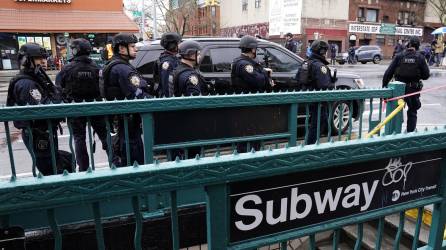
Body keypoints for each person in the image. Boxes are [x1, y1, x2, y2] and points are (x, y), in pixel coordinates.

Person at [6, 43, 63, 175]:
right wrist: (57, 100)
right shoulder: (27, 83)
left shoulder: (36, 78)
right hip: (38, 133)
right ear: (26, 60)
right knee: (50, 171)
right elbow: (42, 109)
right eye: (38, 58)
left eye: (44, 58)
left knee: (57, 164)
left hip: (44, 131)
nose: (43, 61)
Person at [56, 38, 108, 172]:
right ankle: (114, 160)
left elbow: (58, 89)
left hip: (75, 109)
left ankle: (84, 168)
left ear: (75, 51)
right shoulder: (97, 67)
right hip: (96, 107)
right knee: (104, 135)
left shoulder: (67, 68)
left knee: (79, 138)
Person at [102, 33, 152, 166]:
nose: (136, 49)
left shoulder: (115, 64)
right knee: (135, 161)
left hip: (121, 121)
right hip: (128, 122)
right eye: (132, 46)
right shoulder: (122, 68)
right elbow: (137, 95)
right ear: (122, 49)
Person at [383, 36, 430, 133]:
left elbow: (388, 73)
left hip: (398, 90)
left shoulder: (399, 56)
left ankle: (395, 133)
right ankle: (410, 133)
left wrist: (384, 88)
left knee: (396, 111)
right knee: (412, 111)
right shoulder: (420, 57)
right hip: (413, 90)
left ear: (409, 44)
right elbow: (426, 75)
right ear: (418, 46)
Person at [296, 40, 335, 145]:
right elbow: (325, 86)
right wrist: (332, 82)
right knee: (318, 124)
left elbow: (297, 79)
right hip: (319, 101)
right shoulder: (320, 66)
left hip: (309, 98)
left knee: (319, 123)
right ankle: (309, 146)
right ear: (322, 51)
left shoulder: (305, 62)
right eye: (325, 51)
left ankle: (318, 144)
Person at [153, 32, 182, 97]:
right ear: (172, 45)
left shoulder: (171, 58)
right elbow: (168, 87)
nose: (180, 45)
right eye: (179, 43)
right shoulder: (167, 63)